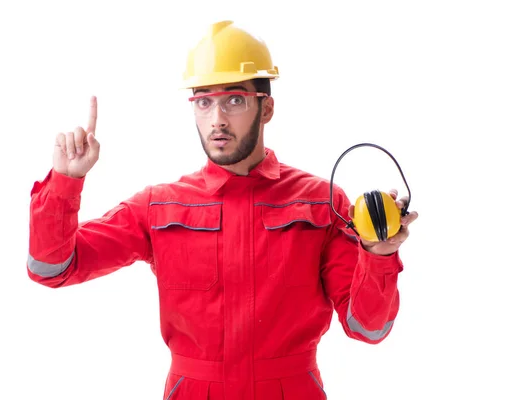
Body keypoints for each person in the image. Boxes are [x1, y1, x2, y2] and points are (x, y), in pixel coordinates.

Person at [27, 20, 418, 400]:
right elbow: (54, 267)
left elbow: (368, 328)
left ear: (266, 109)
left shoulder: (320, 202)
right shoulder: (159, 206)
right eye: (203, 102)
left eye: (234, 100)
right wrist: (65, 182)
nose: (217, 119)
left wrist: (379, 254)